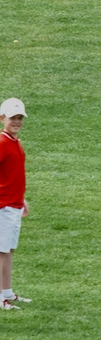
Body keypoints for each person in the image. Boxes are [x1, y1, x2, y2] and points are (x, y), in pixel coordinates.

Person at [0, 99, 27, 311]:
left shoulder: (14, 142)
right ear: (2, 119)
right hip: (4, 207)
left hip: (14, 205)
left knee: (8, 250)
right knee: (1, 252)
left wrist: (22, 199)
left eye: (19, 118)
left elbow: (12, 175)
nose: (16, 122)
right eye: (12, 118)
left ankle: (7, 292)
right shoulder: (1, 143)